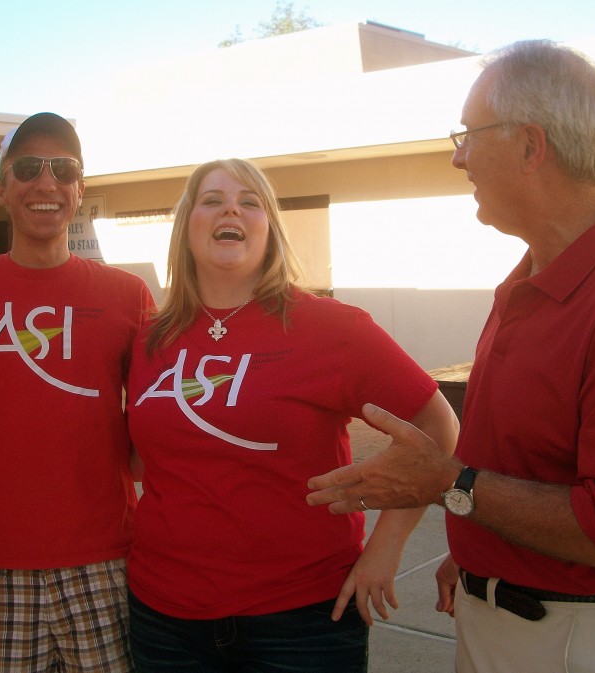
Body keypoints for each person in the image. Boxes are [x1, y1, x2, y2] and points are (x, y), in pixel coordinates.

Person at [307, 40, 595, 673]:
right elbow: (525, 461)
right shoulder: (531, 275)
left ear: (530, 145)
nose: (457, 157)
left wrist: (449, 485)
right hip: (507, 618)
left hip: (586, 644)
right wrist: (478, 550)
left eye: (469, 135)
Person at [124, 158, 459, 672]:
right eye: (211, 199)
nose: (230, 207)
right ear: (185, 225)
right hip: (165, 618)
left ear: (269, 230)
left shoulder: (333, 328)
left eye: (250, 202)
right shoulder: (149, 339)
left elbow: (438, 429)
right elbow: (147, 460)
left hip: (302, 620)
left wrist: (385, 546)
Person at [0, 112, 154, 672]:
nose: (46, 183)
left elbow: (161, 418)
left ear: (79, 191)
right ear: (1, 189)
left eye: (62, 169)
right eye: (27, 168)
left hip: (105, 560)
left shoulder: (127, 296)